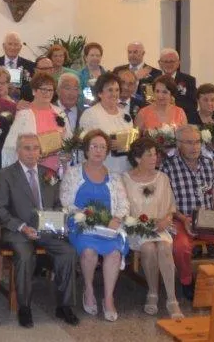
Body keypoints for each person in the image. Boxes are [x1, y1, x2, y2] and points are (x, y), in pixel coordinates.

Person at [0, 133, 79, 328]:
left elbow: (57, 204)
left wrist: (57, 220)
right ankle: (24, 307)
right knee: (24, 256)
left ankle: (64, 305)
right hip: (18, 230)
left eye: (35, 148)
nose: (32, 153)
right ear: (18, 151)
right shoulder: (6, 175)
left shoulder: (49, 173)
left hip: (46, 230)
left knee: (68, 252)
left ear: (41, 151)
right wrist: (22, 227)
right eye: (27, 148)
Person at [161, 126, 214, 301]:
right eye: (188, 143)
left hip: (209, 218)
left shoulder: (209, 164)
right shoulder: (168, 167)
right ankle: (187, 281)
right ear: (178, 144)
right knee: (181, 247)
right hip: (181, 218)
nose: (194, 147)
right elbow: (166, 202)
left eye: (197, 142)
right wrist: (183, 218)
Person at [61, 130, 129, 322]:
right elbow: (65, 201)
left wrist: (117, 217)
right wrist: (86, 215)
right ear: (86, 149)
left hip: (108, 227)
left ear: (107, 151)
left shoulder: (115, 177)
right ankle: (89, 289)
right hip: (81, 224)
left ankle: (108, 298)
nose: (98, 151)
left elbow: (124, 204)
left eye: (102, 147)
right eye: (94, 146)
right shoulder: (73, 173)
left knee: (114, 253)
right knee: (89, 251)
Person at [122, 137, 182, 320]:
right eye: (149, 155)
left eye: (155, 154)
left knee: (163, 246)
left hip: (161, 226)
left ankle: (172, 299)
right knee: (148, 247)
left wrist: (165, 220)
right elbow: (123, 209)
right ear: (138, 158)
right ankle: (153, 293)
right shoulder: (125, 179)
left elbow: (170, 207)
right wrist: (141, 224)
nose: (154, 158)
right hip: (136, 228)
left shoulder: (162, 178)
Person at [1, 73, 63, 174]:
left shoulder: (60, 112)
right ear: (34, 91)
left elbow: (68, 140)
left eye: (50, 90)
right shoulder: (24, 114)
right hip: (31, 168)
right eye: (43, 89)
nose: (47, 93)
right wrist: (30, 156)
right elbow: (11, 146)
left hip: (57, 168)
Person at [79, 73, 132, 174]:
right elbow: (85, 146)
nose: (114, 94)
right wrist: (108, 144)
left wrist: (127, 144)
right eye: (110, 90)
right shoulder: (90, 114)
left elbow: (132, 141)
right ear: (100, 93)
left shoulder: (125, 114)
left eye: (117, 90)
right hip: (101, 171)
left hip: (126, 170)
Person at [0, 32, 36, 101]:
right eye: (10, 44)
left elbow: (32, 89)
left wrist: (19, 91)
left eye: (16, 44)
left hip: (22, 104)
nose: (13, 47)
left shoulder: (30, 65)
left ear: (20, 47)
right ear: (4, 46)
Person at [153, 49, 197, 119]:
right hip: (155, 118)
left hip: (180, 119)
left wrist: (172, 104)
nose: (169, 64)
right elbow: (147, 101)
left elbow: (193, 105)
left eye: (172, 61)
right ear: (159, 63)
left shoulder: (189, 80)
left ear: (178, 63)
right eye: (165, 61)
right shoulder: (151, 79)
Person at [77, 42, 106, 109]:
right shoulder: (79, 75)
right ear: (86, 57)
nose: (95, 58)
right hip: (85, 109)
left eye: (98, 55)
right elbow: (78, 94)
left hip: (104, 109)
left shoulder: (106, 75)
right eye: (92, 55)